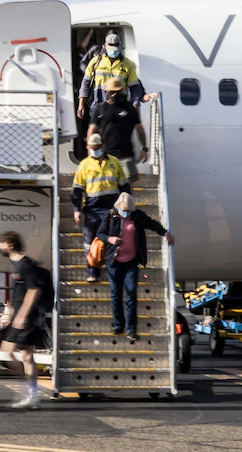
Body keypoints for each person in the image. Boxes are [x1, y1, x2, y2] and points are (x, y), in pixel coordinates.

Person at [97, 193, 174, 340]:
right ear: (118, 206)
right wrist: (110, 239)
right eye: (123, 209)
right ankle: (118, 324)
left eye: (128, 210)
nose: (125, 212)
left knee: (131, 294)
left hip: (131, 261)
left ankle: (131, 329)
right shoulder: (111, 215)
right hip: (114, 262)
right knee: (116, 294)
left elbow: (152, 224)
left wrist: (165, 233)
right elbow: (100, 234)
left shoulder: (137, 216)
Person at [0, 231, 52, 410]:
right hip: (22, 315)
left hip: (28, 317)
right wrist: (10, 314)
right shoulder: (16, 264)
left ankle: (28, 391)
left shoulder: (25, 264)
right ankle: (31, 394)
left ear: (10, 245)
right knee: (26, 356)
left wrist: (22, 315)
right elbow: (17, 295)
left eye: (1, 243)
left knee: (8, 352)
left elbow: (34, 290)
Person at [71, 133, 131, 282]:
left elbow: (124, 186)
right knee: (90, 241)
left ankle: (114, 270)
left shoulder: (114, 162)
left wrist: (127, 205)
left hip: (111, 207)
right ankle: (92, 271)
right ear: (88, 148)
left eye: (97, 148)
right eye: (92, 148)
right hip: (92, 208)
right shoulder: (84, 164)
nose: (94, 150)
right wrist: (77, 210)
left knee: (114, 239)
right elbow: (77, 190)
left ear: (103, 147)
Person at [88, 77, 148, 185]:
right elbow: (92, 130)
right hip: (104, 155)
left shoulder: (129, 108)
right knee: (106, 184)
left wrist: (144, 148)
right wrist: (90, 149)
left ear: (122, 91)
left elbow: (139, 128)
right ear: (107, 92)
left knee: (128, 185)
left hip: (125, 155)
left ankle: (128, 202)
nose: (114, 94)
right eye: (112, 92)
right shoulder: (100, 108)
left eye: (117, 91)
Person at [77, 32, 143, 118]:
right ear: (105, 46)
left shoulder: (128, 64)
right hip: (98, 107)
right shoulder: (95, 61)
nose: (113, 52)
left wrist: (135, 107)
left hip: (120, 109)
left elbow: (135, 88)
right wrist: (81, 104)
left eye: (115, 50)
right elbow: (85, 84)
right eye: (111, 49)